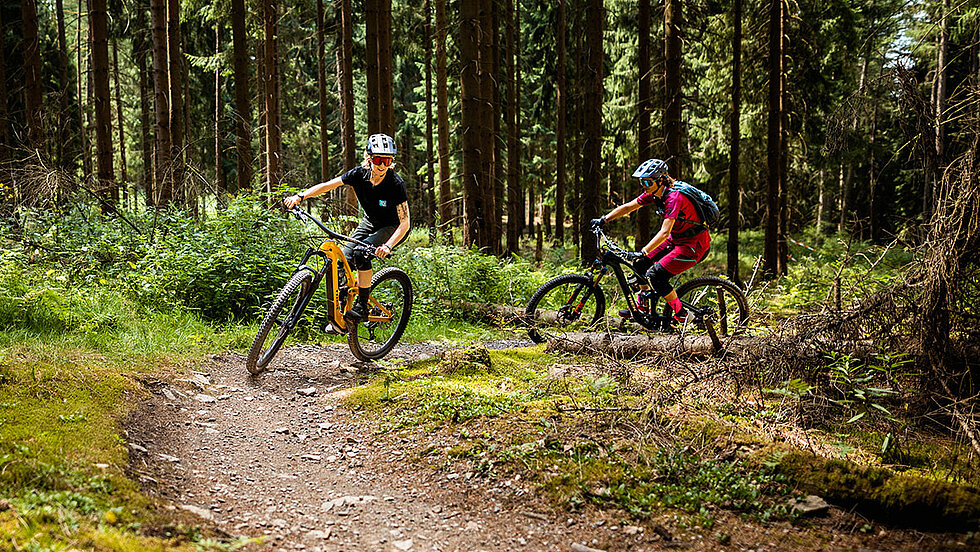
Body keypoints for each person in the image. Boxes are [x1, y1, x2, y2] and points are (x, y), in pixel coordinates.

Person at [283, 133, 411, 324]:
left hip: (391, 227)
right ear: (369, 157)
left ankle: (361, 306)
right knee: (341, 262)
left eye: (387, 160)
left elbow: (405, 223)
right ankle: (343, 310)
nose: (382, 165)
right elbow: (328, 186)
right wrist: (300, 196)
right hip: (370, 221)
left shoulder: (395, 183)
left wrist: (388, 246)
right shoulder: (359, 174)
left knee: (361, 253)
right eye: (378, 159)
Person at [590, 158, 710, 328]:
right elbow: (629, 207)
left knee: (656, 276)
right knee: (640, 265)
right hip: (677, 239)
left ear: (661, 180)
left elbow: (664, 231)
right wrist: (604, 219)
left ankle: (682, 314)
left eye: (647, 181)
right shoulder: (655, 193)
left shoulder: (673, 197)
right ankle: (643, 306)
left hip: (693, 245)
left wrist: (644, 250)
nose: (643, 185)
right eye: (641, 181)